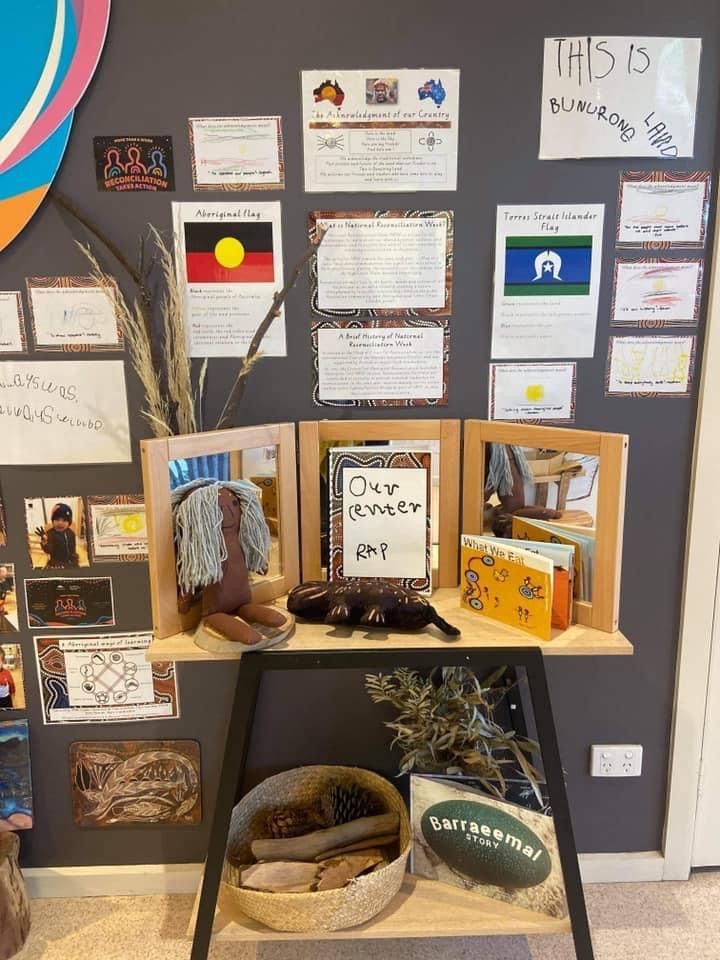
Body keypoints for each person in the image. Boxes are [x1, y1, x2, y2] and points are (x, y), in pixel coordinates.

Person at [36, 502, 79, 568]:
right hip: (56, 563)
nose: (60, 523)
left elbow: (73, 547)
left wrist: (74, 558)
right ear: (53, 521)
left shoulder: (71, 533)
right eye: (57, 519)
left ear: (69, 523)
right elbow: (48, 550)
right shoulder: (50, 534)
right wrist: (45, 542)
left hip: (71, 561)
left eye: (64, 520)